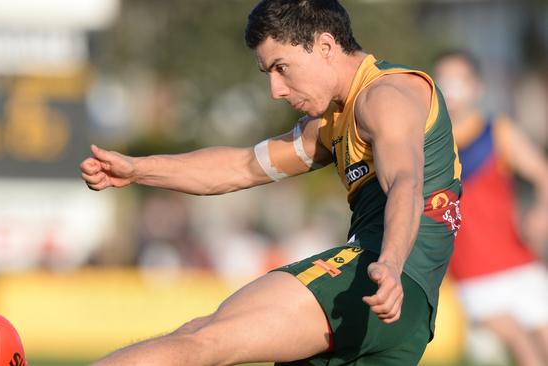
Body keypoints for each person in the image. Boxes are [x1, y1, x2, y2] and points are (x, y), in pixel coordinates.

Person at [80, 1, 462, 364]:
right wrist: (137, 170)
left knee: (204, 338)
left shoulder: (384, 96)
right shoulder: (333, 123)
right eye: (269, 74)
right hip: (399, 306)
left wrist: (391, 264)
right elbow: (241, 167)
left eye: (282, 68)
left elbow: (406, 185)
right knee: (204, 337)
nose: (276, 90)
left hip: (375, 278)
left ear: (325, 46)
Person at [434, 50, 548, 366]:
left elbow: (543, 175)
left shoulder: (498, 133)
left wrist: (541, 214)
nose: (451, 87)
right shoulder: (428, 146)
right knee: (522, 348)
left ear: (476, 88)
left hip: (518, 261)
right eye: (444, 79)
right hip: (471, 274)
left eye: (459, 79)